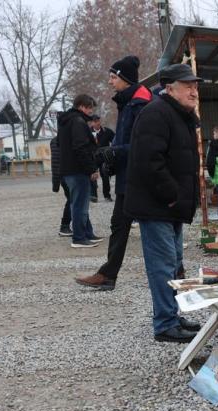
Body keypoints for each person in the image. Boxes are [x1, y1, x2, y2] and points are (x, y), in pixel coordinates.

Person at [124, 63, 202, 343]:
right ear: (170, 88)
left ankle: (173, 316)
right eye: (188, 85)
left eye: (195, 85)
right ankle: (165, 323)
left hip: (170, 207)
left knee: (174, 263)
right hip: (158, 206)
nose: (194, 90)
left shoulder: (178, 114)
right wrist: (172, 195)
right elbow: (150, 162)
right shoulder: (156, 114)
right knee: (162, 265)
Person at [75, 55, 153, 291]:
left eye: (112, 77)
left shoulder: (141, 104)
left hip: (139, 177)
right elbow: (126, 140)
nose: (109, 82)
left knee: (152, 228)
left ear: (124, 78)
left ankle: (174, 273)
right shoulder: (128, 103)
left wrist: (115, 151)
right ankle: (108, 274)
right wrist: (112, 159)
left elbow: (144, 145)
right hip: (128, 175)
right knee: (120, 224)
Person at [58, 94, 103, 248]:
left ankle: (87, 233)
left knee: (79, 203)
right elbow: (80, 147)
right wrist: (91, 168)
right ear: (82, 106)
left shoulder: (67, 121)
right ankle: (79, 238)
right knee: (79, 205)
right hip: (78, 170)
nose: (91, 111)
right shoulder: (78, 122)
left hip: (69, 169)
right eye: (89, 107)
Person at [89, 114, 115, 202]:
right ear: (91, 123)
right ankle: (93, 195)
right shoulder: (88, 132)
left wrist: (112, 151)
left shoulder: (107, 131)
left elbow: (115, 141)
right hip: (93, 157)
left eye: (98, 121)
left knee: (105, 176)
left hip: (104, 157)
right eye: (95, 121)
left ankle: (107, 195)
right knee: (92, 176)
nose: (97, 123)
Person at [50, 136, 72, 236]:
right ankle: (65, 226)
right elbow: (55, 162)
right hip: (67, 174)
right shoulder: (62, 140)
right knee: (73, 200)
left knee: (73, 200)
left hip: (65, 175)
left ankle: (66, 226)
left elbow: (54, 163)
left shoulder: (55, 140)